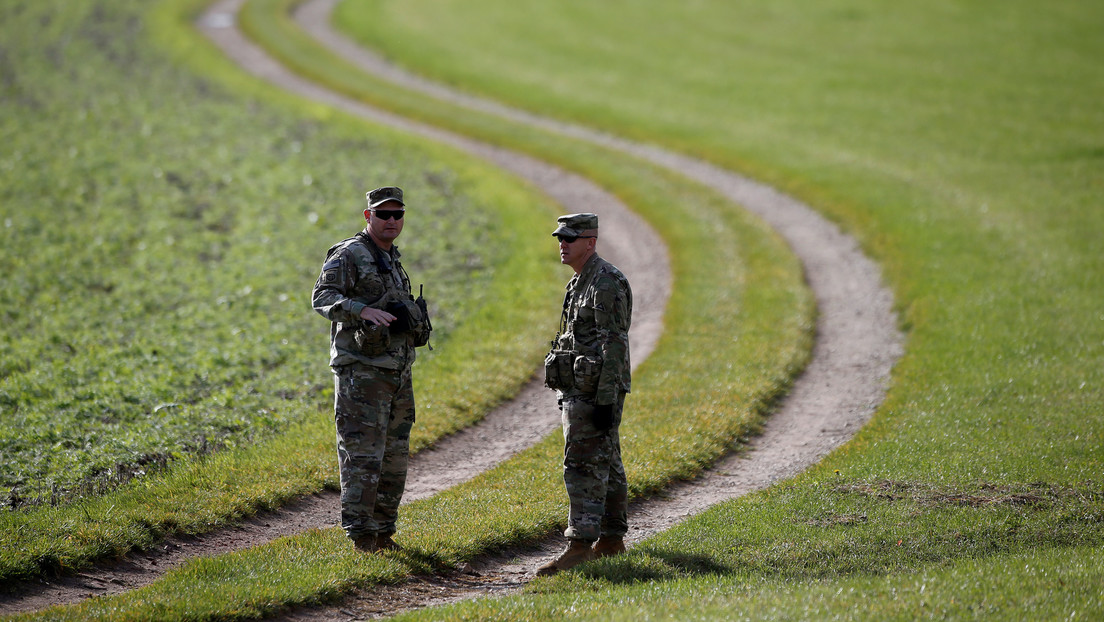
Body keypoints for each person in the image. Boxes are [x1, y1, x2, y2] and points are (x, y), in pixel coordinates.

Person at [312, 186, 432, 553]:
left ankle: (383, 531)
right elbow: (322, 297)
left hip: (396, 372)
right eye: (383, 214)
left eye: (398, 214)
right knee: (363, 455)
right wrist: (361, 310)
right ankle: (363, 536)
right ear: (368, 217)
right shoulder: (350, 254)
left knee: (395, 456)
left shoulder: (391, 258)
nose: (392, 221)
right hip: (361, 373)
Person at [537, 212, 633, 576]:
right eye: (560, 238)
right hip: (583, 387)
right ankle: (611, 541)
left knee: (580, 464)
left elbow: (615, 344)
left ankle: (579, 545)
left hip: (595, 390)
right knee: (606, 462)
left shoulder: (605, 282)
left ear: (590, 243)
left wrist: (607, 399)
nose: (562, 244)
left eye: (570, 239)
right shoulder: (580, 281)